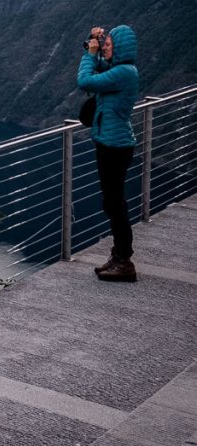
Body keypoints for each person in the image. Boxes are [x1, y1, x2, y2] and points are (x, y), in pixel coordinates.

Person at [77, 24, 139, 281]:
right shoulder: (122, 71)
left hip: (115, 147)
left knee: (115, 204)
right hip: (111, 143)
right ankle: (119, 256)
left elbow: (85, 80)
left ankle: (124, 261)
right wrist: (92, 43)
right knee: (112, 202)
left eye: (109, 44)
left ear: (121, 48)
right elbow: (101, 66)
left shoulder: (124, 73)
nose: (104, 47)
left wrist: (90, 55)